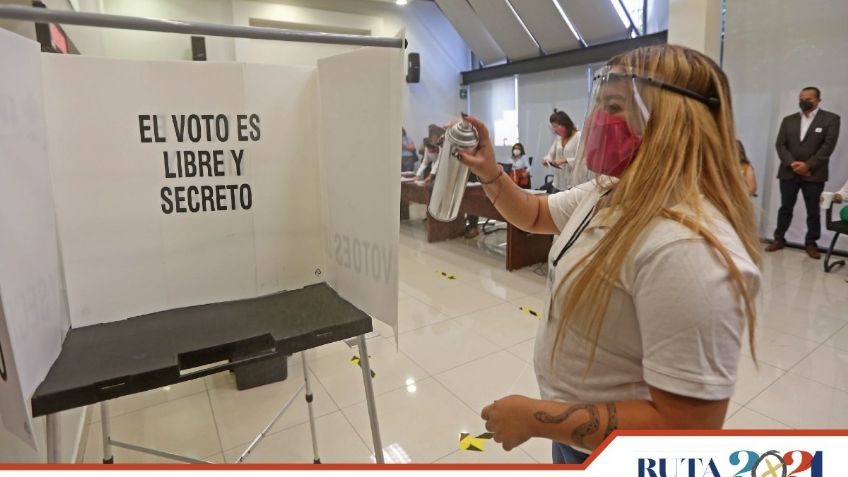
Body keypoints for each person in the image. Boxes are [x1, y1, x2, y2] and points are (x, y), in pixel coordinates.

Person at [456, 44, 761, 464]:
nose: (597, 119)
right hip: (579, 439)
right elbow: (535, 213)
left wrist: (538, 418)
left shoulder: (686, 249)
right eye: (599, 103)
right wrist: (490, 171)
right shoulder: (612, 191)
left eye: (614, 106)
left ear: (670, 122)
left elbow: (686, 427)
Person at [766, 86, 841, 259]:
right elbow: (780, 145)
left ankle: (811, 243)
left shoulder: (831, 119)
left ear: (818, 100)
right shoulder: (788, 120)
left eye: (809, 99)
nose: (804, 102)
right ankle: (779, 239)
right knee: (785, 207)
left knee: (813, 210)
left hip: (814, 174)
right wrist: (792, 163)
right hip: (788, 172)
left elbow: (828, 147)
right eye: (801, 98)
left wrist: (808, 165)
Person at [542, 110, 582, 192]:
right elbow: (550, 154)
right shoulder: (558, 138)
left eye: (557, 127)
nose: (556, 130)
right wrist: (547, 160)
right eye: (553, 127)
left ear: (566, 124)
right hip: (558, 183)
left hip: (573, 184)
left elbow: (582, 159)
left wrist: (566, 160)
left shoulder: (579, 136)